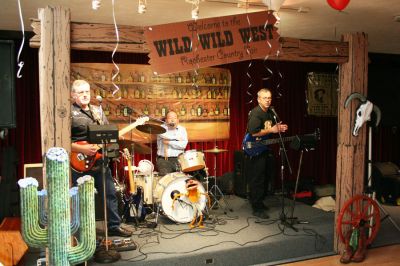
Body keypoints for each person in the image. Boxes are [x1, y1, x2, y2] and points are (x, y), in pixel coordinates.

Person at [70, 79, 132, 237]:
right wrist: (81, 148)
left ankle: (114, 226)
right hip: (79, 161)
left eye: (87, 92)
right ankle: (82, 231)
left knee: (110, 194)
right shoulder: (69, 112)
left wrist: (115, 147)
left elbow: (107, 134)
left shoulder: (98, 110)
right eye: (81, 92)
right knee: (82, 197)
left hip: (100, 160)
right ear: (73, 95)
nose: (85, 95)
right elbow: (62, 139)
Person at [245, 88, 288, 219]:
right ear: (259, 99)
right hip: (255, 147)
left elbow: (272, 129)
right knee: (257, 178)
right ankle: (256, 207)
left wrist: (279, 128)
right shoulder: (256, 113)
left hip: (265, 148)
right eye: (265, 98)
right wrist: (272, 129)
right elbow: (253, 132)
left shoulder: (271, 112)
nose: (268, 100)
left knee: (266, 176)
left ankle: (260, 201)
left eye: (269, 98)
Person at [156, 111, 188, 176]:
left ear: (178, 120)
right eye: (170, 118)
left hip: (179, 159)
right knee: (166, 180)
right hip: (164, 160)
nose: (172, 120)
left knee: (180, 180)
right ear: (166, 120)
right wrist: (177, 139)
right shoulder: (160, 128)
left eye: (175, 118)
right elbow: (165, 136)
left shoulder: (182, 129)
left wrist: (169, 142)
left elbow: (183, 145)